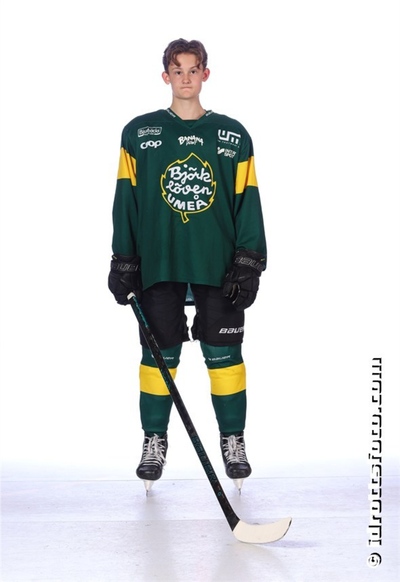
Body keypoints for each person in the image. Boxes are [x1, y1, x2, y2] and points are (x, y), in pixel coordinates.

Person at [108, 38, 267, 490]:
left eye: (192, 69)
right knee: (158, 357)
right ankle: (153, 440)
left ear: (205, 74)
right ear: (166, 76)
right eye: (176, 70)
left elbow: (248, 201)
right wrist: (124, 258)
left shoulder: (232, 136)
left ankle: (233, 440)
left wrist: (249, 259)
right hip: (159, 263)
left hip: (218, 264)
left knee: (225, 356)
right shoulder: (139, 133)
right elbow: (126, 200)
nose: (185, 78)